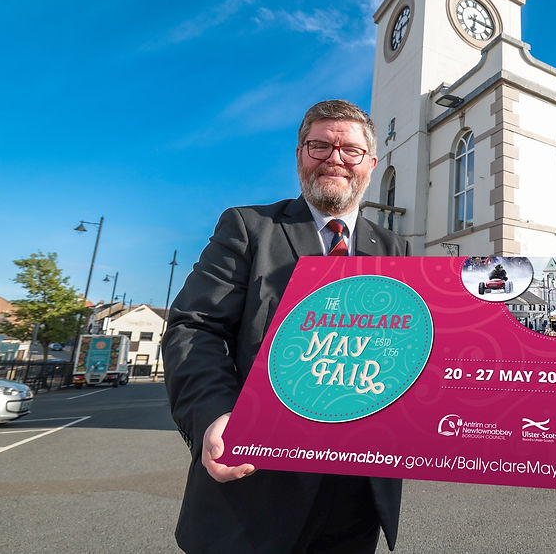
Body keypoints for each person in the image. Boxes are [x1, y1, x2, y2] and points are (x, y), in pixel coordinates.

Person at [163, 100, 410, 554]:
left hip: (357, 496)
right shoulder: (248, 226)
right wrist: (215, 416)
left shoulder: (395, 246)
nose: (335, 158)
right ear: (300, 154)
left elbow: (414, 351)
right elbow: (194, 327)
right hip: (254, 492)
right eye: (320, 145)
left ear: (370, 165)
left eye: (350, 150)